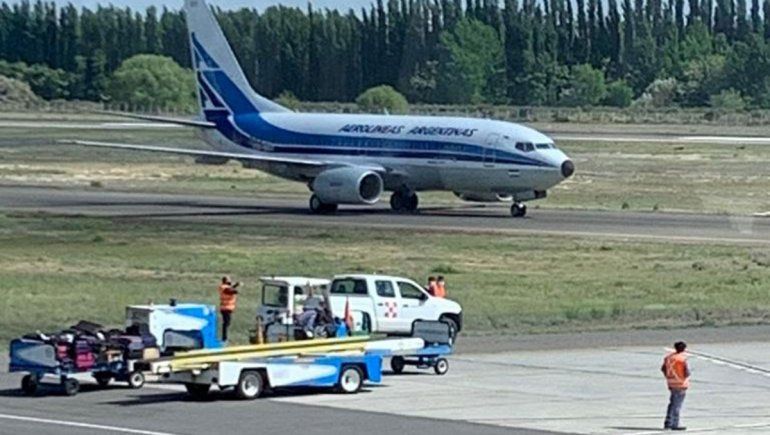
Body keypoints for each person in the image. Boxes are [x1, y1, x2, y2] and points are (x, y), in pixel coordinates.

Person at [662, 341, 691, 431]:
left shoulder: (668, 358)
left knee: (672, 403)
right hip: (680, 383)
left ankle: (668, 421)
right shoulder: (682, 359)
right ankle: (674, 423)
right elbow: (686, 372)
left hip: (671, 382)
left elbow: (663, 368)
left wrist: (668, 376)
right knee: (677, 405)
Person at [218, 276, 240, 343]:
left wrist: (235, 285)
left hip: (226, 308)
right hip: (226, 308)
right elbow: (230, 291)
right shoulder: (224, 287)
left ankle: (225, 338)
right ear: (226, 281)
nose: (230, 281)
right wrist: (235, 288)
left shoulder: (225, 287)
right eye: (229, 280)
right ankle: (224, 338)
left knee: (227, 323)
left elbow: (230, 288)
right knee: (226, 323)